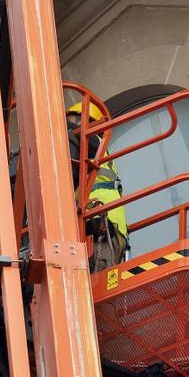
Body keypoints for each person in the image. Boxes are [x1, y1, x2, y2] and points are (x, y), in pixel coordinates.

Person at [66, 102, 129, 268]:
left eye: (75, 121)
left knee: (96, 275)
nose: (74, 126)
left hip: (104, 225)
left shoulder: (97, 145)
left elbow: (78, 135)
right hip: (93, 223)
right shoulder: (80, 170)